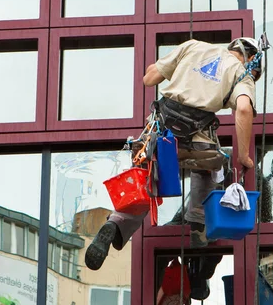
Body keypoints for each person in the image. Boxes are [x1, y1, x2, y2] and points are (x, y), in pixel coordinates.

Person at [85, 37, 262, 271]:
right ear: (251, 58)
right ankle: (198, 223)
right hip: (198, 141)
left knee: (148, 182)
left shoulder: (194, 46)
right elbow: (243, 108)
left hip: (162, 135)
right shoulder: (242, 73)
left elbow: (149, 79)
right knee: (212, 167)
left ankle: (117, 223)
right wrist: (244, 156)